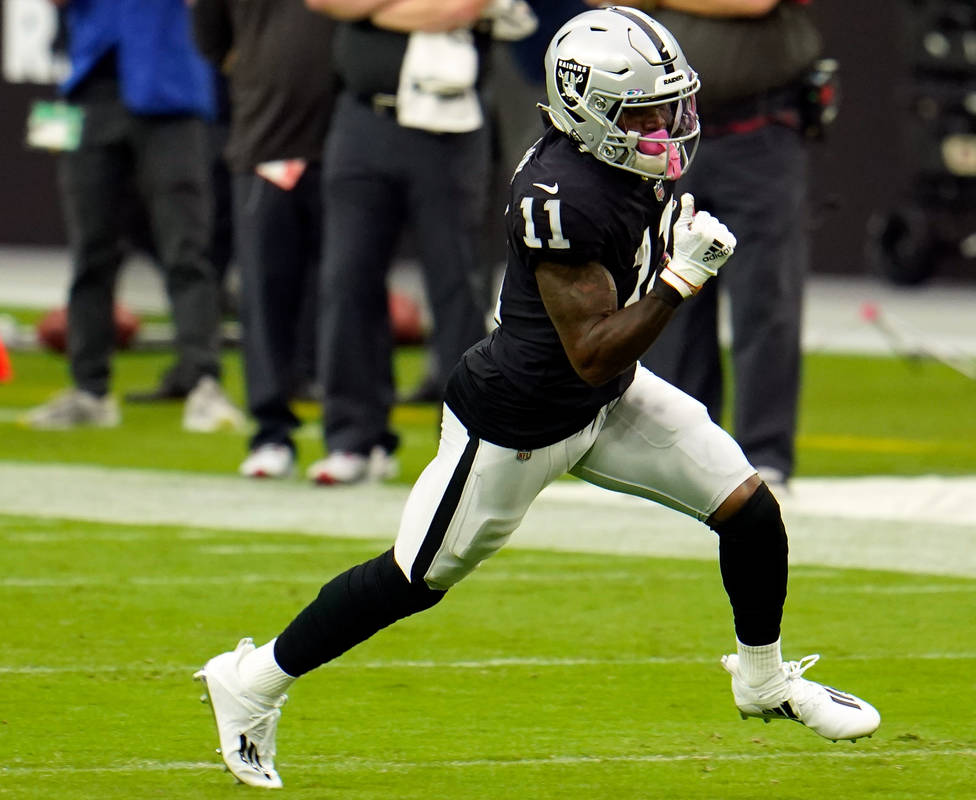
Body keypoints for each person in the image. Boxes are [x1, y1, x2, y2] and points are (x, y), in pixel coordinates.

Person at [194, 7, 878, 789]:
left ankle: (762, 680)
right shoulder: (561, 194)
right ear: (590, 112)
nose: (667, 127)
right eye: (645, 112)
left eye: (671, 105)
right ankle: (250, 683)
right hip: (518, 422)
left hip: (606, 400)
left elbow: (602, 366)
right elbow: (589, 354)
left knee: (751, 512)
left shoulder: (616, 159)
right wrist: (681, 280)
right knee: (413, 579)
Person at [611, 0, 825, 491]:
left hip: (757, 129)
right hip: (659, 132)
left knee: (765, 298)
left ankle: (763, 458)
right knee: (665, 293)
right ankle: (680, 457)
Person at [298, 0, 503, 484]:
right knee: (346, 278)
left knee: (455, 285)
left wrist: (373, 11)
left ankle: (468, 442)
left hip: (449, 130)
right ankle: (352, 437)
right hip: (363, 117)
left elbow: (463, 7)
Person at [23, 0, 244, 434]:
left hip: (171, 93)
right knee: (91, 252)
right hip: (90, 91)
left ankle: (203, 384)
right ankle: (89, 390)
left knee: (187, 249)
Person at [190, 0, 337, 479]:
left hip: (346, 145)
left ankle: (355, 436)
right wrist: (263, 71)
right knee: (263, 295)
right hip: (265, 140)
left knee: (349, 294)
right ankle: (271, 433)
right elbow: (213, 41)